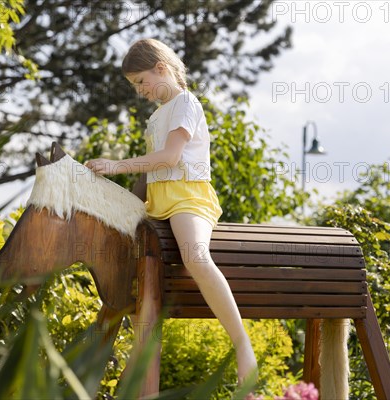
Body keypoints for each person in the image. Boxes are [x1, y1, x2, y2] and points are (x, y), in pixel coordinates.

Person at [85, 38, 260, 396]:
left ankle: (242, 345)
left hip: (187, 197)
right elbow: (150, 174)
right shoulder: (156, 115)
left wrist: (116, 165)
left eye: (141, 82)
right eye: (135, 86)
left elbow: (169, 159)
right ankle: (141, 352)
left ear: (161, 68)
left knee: (195, 256)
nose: (140, 91)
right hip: (158, 201)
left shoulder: (184, 103)